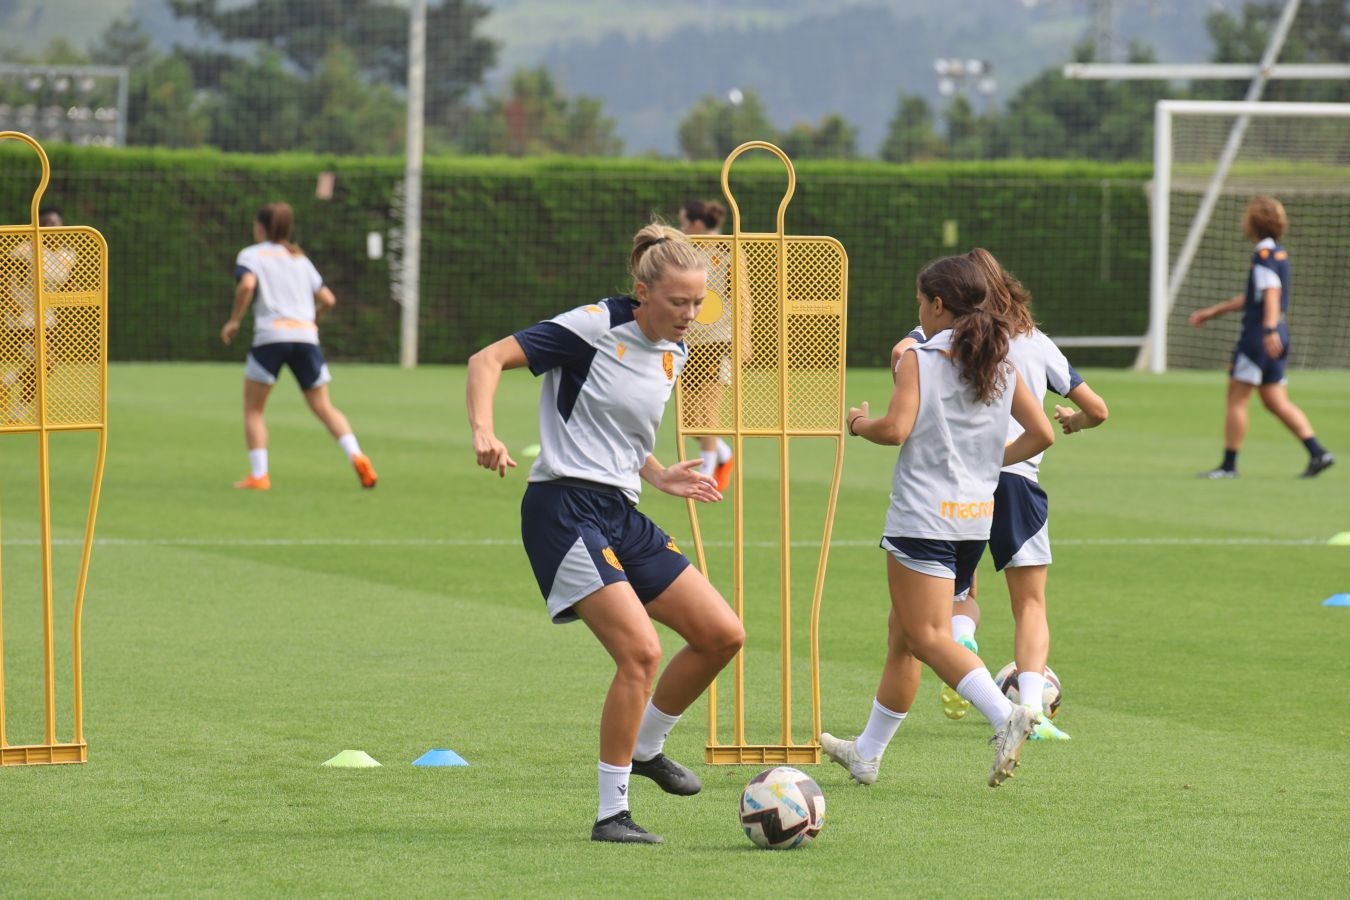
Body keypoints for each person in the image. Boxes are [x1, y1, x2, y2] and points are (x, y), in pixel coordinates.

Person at [465, 221, 745, 844]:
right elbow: (486, 359)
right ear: (642, 292)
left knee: (721, 634)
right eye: (679, 302)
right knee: (641, 653)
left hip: (622, 508)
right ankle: (610, 813)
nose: (690, 315)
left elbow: (611, 427)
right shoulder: (593, 326)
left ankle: (646, 749)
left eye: (698, 303)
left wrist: (659, 473)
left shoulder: (678, 350)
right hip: (563, 508)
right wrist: (484, 430)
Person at [820, 250, 1055, 789]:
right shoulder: (1003, 360)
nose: (919, 312)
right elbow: (1041, 433)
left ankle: (1006, 716)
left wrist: (858, 422)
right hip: (974, 519)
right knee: (902, 636)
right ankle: (867, 754)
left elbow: (895, 429)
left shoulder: (920, 358)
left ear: (939, 304)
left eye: (921, 303)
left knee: (927, 636)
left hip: (922, 517)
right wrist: (985, 461)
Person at [924, 249, 1109, 740]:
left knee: (960, 593)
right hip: (1018, 478)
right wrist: (1075, 420)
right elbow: (1098, 409)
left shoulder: (952, 340)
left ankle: (965, 643)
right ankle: (1031, 709)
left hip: (960, 483)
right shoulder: (1036, 343)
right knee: (1029, 604)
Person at [220, 202, 377, 491]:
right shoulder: (300, 259)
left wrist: (234, 321)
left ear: (260, 227)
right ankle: (356, 454)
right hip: (306, 338)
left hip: (271, 338)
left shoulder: (251, 255)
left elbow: (246, 286)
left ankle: (259, 475)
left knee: (254, 409)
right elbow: (328, 299)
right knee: (323, 406)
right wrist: (313, 321)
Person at [1188, 195, 1333, 479]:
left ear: (1255, 222)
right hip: (1278, 332)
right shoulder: (1278, 253)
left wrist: (1266, 330)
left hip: (1259, 336)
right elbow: (1255, 296)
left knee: (1237, 399)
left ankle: (1229, 466)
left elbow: (1271, 294)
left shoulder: (1263, 255)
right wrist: (1213, 311)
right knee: (1275, 400)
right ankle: (1318, 452)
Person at [678, 199, 736, 491]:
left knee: (710, 414)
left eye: (685, 222)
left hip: (718, 339)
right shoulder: (683, 253)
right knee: (688, 419)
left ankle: (707, 478)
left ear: (698, 224)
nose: (683, 228)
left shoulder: (728, 251)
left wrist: (744, 339)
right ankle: (724, 455)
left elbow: (743, 297)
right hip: (688, 340)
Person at [3, 206, 75, 422]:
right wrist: (11, 302)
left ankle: (15, 407)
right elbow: (3, 276)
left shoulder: (68, 255)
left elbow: (67, 284)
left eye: (54, 222)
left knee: (41, 367)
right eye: (45, 223)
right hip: (23, 315)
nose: (50, 227)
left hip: (47, 316)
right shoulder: (25, 250)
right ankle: (7, 385)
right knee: (47, 362)